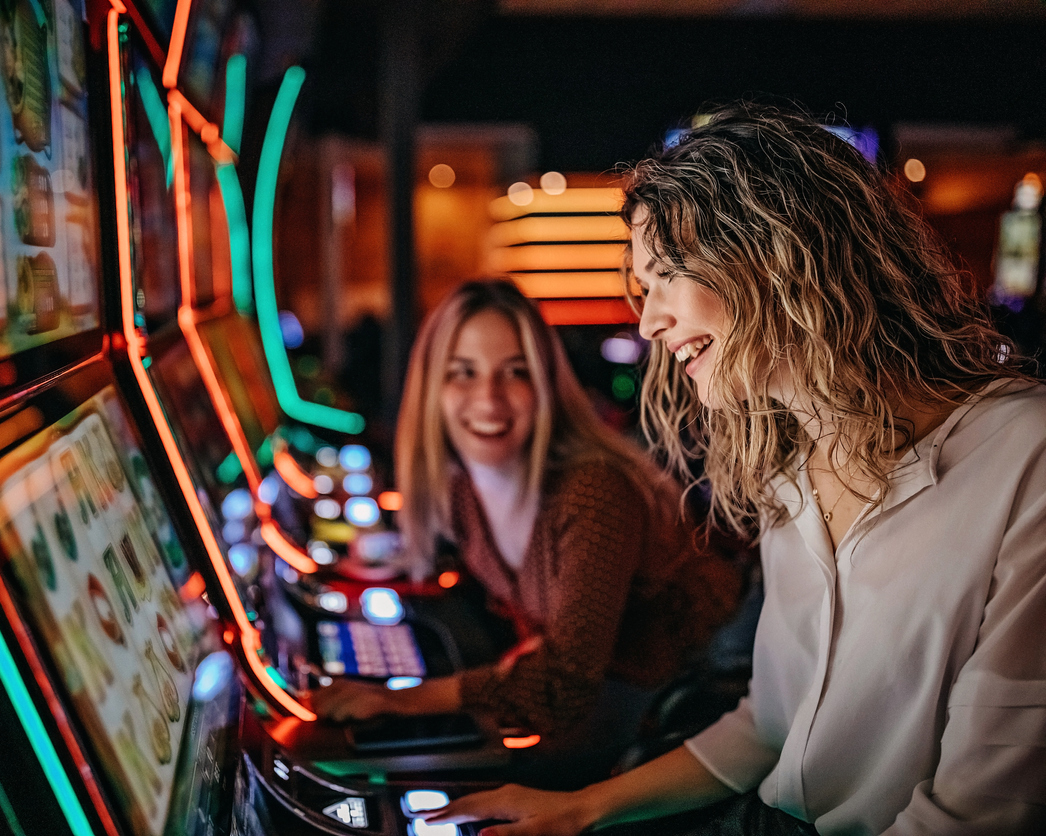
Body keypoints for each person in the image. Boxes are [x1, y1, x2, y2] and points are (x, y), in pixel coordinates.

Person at [426, 105, 1046, 836]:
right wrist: (583, 810)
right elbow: (770, 728)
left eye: (664, 277)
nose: (648, 322)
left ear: (774, 254)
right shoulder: (787, 469)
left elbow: (980, 815)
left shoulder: (1022, 456)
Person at [312, 280, 741, 779]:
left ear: (544, 385)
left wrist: (401, 700)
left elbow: (565, 683)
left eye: (514, 372)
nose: (488, 399)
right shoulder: (460, 497)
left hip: (700, 705)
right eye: (463, 372)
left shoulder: (593, 492)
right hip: (625, 698)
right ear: (433, 388)